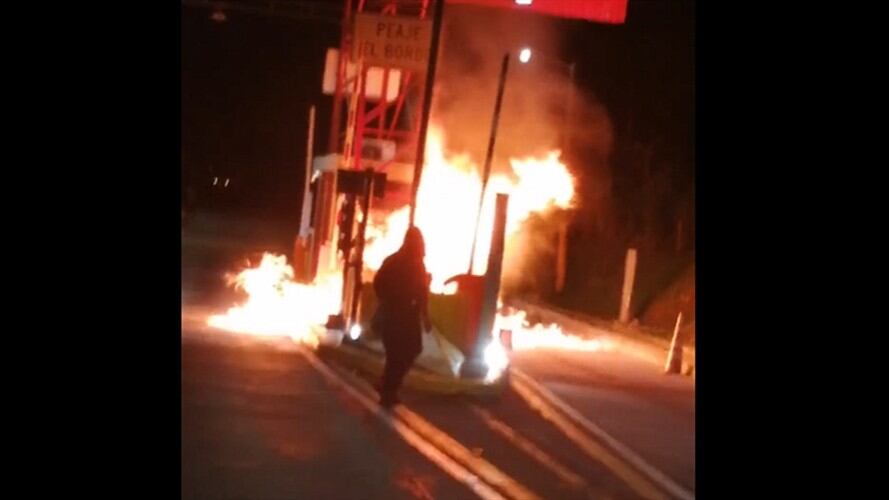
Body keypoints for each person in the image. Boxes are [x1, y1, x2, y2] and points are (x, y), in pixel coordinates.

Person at [372, 226, 433, 408]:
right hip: (399, 315)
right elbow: (420, 292)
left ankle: (387, 386)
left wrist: (424, 315)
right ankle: (388, 392)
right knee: (402, 354)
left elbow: (421, 292)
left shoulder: (399, 261)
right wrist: (423, 315)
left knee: (404, 352)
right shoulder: (404, 263)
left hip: (402, 316)